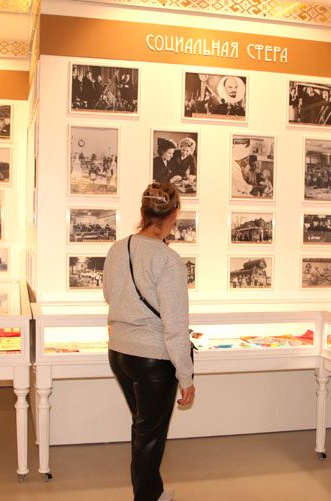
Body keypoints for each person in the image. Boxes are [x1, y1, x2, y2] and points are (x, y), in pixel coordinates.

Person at [103, 182, 195, 501]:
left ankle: (153, 492)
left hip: (120, 354)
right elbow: (175, 325)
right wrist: (186, 376)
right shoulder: (168, 260)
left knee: (144, 429)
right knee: (150, 436)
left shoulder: (118, 248)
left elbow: (109, 295)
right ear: (174, 214)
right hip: (153, 360)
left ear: (143, 212)